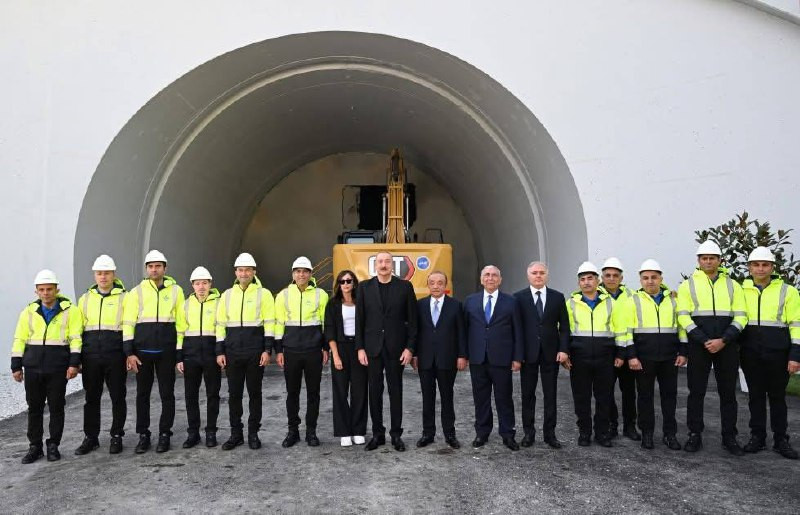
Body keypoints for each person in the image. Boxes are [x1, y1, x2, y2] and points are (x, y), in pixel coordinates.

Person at [676, 240, 747, 455]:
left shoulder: (733, 285)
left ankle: (729, 437)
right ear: (699, 261)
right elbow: (683, 316)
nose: (708, 261)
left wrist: (723, 340)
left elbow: (742, 316)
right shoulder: (687, 285)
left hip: (727, 345)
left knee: (728, 394)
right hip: (700, 346)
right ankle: (694, 434)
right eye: (704, 258)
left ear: (720, 260)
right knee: (696, 392)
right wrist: (703, 339)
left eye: (712, 258)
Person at [11, 269, 82, 464]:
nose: (45, 293)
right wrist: (16, 366)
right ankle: (35, 447)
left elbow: (76, 339)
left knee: (56, 407)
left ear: (57, 290)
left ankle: (53, 446)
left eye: (49, 289)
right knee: (34, 408)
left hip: (57, 368)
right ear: (36, 291)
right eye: (41, 290)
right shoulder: (28, 312)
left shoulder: (71, 311)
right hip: (33, 368)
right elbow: (19, 339)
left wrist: (73, 364)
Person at [122, 250, 187, 454]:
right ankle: (143, 435)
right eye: (150, 266)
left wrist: (179, 353)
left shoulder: (176, 291)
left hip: (166, 352)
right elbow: (128, 323)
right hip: (142, 353)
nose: (154, 269)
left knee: (167, 394)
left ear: (165, 268)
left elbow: (181, 324)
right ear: (146, 269)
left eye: (158, 266)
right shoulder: (136, 292)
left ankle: (165, 434)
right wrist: (129, 352)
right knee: (142, 394)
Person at [619, 259, 686, 451]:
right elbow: (627, 331)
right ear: (640, 280)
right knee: (645, 397)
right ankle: (647, 434)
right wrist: (632, 356)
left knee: (670, 397)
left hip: (669, 357)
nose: (650, 281)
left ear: (661, 279)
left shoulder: (674, 300)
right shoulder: (633, 301)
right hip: (643, 358)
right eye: (646, 278)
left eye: (654, 277)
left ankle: (669, 434)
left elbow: (681, 328)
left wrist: (683, 352)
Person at [739, 246, 799, 459]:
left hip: (778, 354)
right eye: (756, 265)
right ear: (749, 268)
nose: (761, 268)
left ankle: (781, 440)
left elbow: (797, 324)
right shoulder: (740, 290)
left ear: (772, 267)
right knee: (755, 397)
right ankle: (757, 437)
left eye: (765, 264)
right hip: (750, 353)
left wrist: (795, 355)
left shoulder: (788, 291)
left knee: (777, 397)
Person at [356, 251, 418, 452]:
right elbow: (359, 320)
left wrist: (410, 348)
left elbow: (413, 321)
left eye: (387, 262)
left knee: (395, 391)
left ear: (392, 265)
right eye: (380, 262)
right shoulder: (364, 287)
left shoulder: (405, 287)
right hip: (372, 348)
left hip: (396, 349)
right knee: (374, 391)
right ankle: (377, 434)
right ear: (375, 265)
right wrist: (360, 348)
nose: (383, 265)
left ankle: (396, 435)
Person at [564, 261, 627, 448]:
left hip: (605, 357)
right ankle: (584, 432)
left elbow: (620, 330)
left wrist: (621, 354)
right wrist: (566, 354)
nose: (586, 282)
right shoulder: (570, 304)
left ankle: (602, 433)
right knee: (581, 397)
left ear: (597, 280)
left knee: (604, 397)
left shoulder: (610, 303)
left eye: (590, 278)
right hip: (579, 358)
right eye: (582, 279)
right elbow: (564, 331)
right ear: (578, 283)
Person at [216, 252, 274, 451]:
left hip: (254, 352)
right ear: (235, 272)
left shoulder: (264, 294)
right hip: (232, 352)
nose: (244, 273)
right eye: (240, 270)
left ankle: (253, 434)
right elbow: (220, 325)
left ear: (254, 272)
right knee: (234, 395)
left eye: (248, 270)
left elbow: (269, 323)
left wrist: (267, 350)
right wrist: (220, 351)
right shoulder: (226, 295)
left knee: (255, 393)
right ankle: (236, 434)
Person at [463, 265, 523, 451]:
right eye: (487, 275)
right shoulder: (470, 301)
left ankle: (508, 434)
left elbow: (518, 331)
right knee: (481, 398)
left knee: (504, 398)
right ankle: (482, 433)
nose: (490, 278)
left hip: (502, 358)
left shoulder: (511, 302)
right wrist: (464, 355)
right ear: (481, 280)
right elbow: (464, 330)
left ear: (500, 280)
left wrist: (517, 357)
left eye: (494, 275)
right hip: (478, 358)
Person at [274, 257, 329, 448]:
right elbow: (279, 324)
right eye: (298, 271)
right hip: (291, 351)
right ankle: (293, 431)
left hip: (313, 351)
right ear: (293, 274)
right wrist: (279, 350)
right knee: (292, 393)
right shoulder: (283, 295)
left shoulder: (321, 295)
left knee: (313, 393)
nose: (301, 274)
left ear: (311, 274)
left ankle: (311, 432)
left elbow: (325, 323)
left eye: (305, 271)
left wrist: (325, 348)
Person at [513, 261, 570, 449]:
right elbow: (516, 329)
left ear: (547, 275)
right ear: (528, 275)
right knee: (527, 395)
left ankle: (550, 434)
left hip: (551, 354)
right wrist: (517, 355)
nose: (538, 276)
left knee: (550, 395)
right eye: (534, 272)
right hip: (528, 354)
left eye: (541, 272)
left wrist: (563, 349)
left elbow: (564, 327)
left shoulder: (557, 297)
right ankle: (528, 433)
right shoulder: (518, 298)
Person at [75, 255, 128, 456]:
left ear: (114, 274)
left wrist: (128, 354)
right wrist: (78, 358)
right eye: (99, 273)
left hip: (115, 355)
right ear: (94, 275)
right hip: (91, 357)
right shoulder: (85, 299)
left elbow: (129, 328)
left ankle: (117, 435)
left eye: (106, 273)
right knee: (91, 398)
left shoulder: (125, 298)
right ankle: (91, 438)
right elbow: (78, 330)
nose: (103, 277)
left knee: (118, 397)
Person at [413, 271, 467, 449]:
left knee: (447, 397)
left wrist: (462, 355)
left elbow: (461, 332)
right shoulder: (419, 305)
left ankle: (450, 434)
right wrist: (414, 354)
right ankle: (427, 434)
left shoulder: (456, 306)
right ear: (428, 285)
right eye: (432, 283)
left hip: (447, 359)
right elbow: (414, 332)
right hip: (425, 359)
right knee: (427, 398)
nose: (436, 286)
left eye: (440, 283)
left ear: (445, 285)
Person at [176, 266, 222, 449]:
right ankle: (193, 433)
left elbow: (222, 330)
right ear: (192, 285)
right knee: (191, 396)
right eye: (197, 283)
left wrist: (220, 353)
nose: (201, 287)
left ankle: (211, 432)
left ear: (210, 284)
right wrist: (179, 357)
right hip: (191, 356)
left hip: (211, 356)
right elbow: (180, 331)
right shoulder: (185, 305)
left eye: (204, 283)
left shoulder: (219, 303)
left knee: (213, 395)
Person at [324, 270, 368, 447]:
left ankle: (358, 430)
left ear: (354, 282)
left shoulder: (361, 302)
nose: (346, 284)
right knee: (340, 391)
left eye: (349, 281)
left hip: (359, 348)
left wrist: (362, 349)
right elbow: (329, 330)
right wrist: (335, 355)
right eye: (342, 281)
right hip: (340, 348)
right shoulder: (333, 304)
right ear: (338, 284)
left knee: (359, 390)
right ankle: (344, 432)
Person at [600, 257, 639, 441]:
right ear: (602, 277)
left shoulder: (632, 295)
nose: (611, 278)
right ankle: (611, 425)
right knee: (607, 391)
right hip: (607, 351)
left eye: (615, 275)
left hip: (628, 349)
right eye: (607, 275)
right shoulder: (595, 295)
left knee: (629, 391)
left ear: (621, 278)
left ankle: (630, 426)